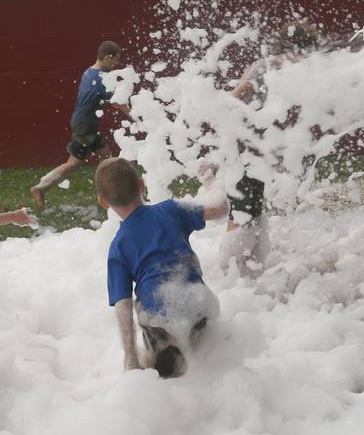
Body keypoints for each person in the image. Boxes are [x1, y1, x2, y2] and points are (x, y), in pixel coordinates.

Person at [95, 157, 228, 378]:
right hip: (199, 302)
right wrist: (213, 182)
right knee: (211, 365)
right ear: (141, 185)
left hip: (160, 317)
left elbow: (123, 306)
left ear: (103, 202)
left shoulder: (118, 247)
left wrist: (131, 358)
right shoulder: (171, 209)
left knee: (169, 377)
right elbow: (220, 209)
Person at [219, 21, 320, 275]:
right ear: (294, 50)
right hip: (242, 152)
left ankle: (246, 270)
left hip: (252, 151)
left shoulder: (276, 69)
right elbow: (236, 96)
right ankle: (226, 272)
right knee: (241, 210)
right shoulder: (266, 68)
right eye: (304, 56)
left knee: (252, 209)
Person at [30, 41, 131, 210]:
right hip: (86, 126)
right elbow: (117, 102)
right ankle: (107, 196)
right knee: (106, 158)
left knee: (77, 162)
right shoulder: (100, 78)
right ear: (107, 57)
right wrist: (134, 116)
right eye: (115, 61)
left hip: (82, 123)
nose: (116, 65)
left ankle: (41, 188)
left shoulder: (89, 72)